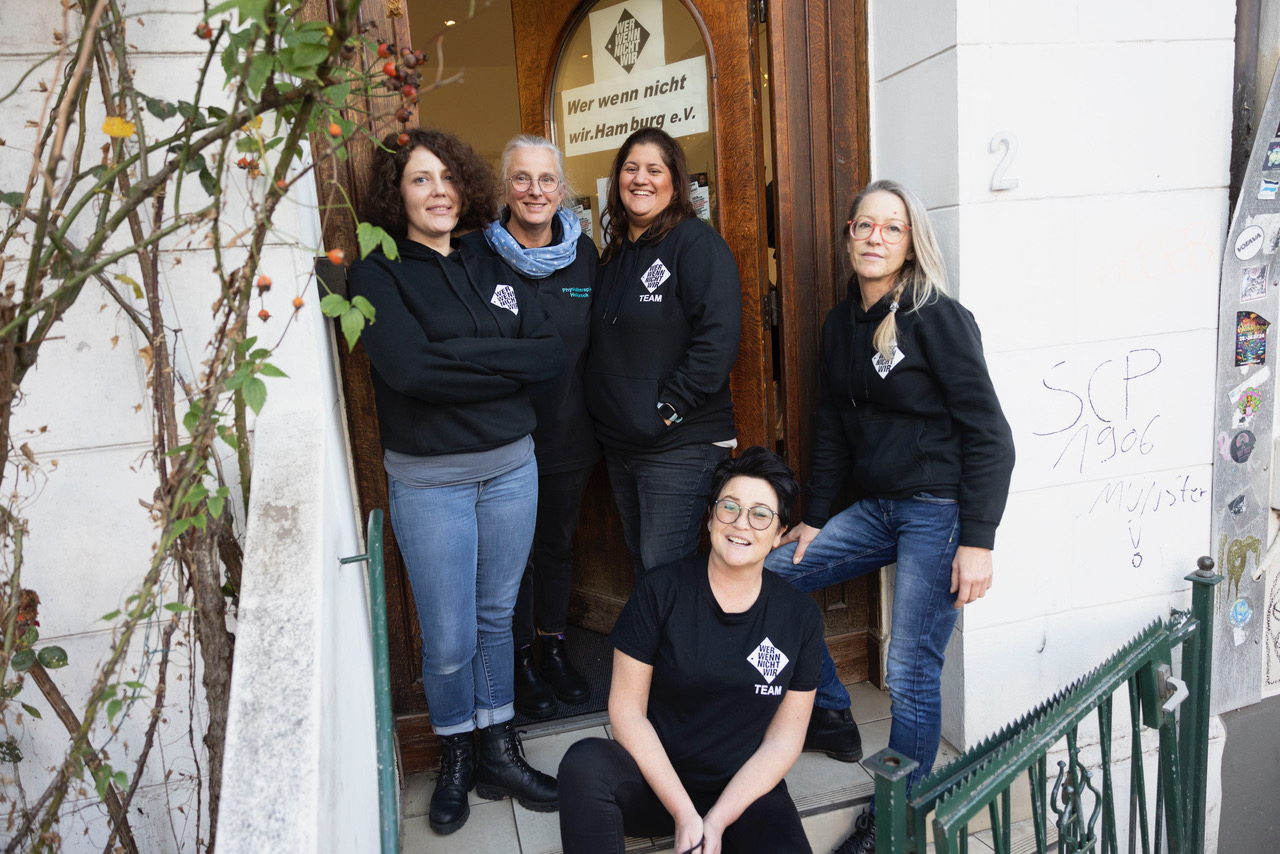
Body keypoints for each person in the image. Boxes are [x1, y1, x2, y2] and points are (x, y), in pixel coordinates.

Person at [763, 180, 1015, 853]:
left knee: (908, 668)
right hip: (876, 507)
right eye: (864, 226)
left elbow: (990, 434)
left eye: (891, 229)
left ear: (910, 244)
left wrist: (979, 540)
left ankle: (897, 813)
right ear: (848, 234)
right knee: (771, 576)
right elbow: (831, 426)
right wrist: (814, 518)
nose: (875, 238)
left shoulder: (937, 317)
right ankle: (833, 711)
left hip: (938, 511)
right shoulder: (839, 320)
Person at [347, 128, 566, 836]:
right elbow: (409, 372)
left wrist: (460, 359)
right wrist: (500, 364)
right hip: (432, 482)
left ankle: (499, 746)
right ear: (396, 194)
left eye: (447, 176)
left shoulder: (491, 261)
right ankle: (457, 755)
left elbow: (549, 351)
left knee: (496, 618)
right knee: (446, 638)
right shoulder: (377, 275)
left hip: (511, 469)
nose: (438, 191)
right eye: (419, 179)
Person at [559, 446, 820, 854]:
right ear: (711, 516)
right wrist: (684, 813)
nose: (741, 524)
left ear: (779, 534)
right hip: (656, 781)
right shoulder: (661, 591)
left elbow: (783, 741)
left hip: (740, 790)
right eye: (729, 507)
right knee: (584, 764)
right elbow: (626, 711)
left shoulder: (799, 616)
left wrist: (717, 819)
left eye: (760, 514)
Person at [461, 134, 601, 718]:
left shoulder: (586, 254)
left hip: (570, 431)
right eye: (522, 178)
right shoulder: (475, 256)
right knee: (506, 555)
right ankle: (516, 657)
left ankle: (553, 648)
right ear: (504, 188)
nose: (535, 190)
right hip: (502, 437)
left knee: (556, 545)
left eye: (547, 180)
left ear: (562, 189)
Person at [586, 126, 742, 576]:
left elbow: (717, 339)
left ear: (675, 182)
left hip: (679, 442)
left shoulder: (697, 243)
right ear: (618, 180)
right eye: (631, 168)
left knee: (664, 567)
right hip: (621, 444)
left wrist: (667, 410)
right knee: (643, 560)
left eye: (655, 169)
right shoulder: (613, 255)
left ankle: (678, 649)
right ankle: (655, 649)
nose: (641, 178)